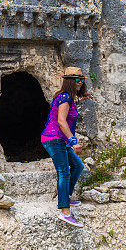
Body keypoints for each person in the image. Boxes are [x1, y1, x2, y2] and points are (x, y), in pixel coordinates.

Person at [41, 66, 90, 227]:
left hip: (60, 140)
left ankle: (65, 196)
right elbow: (61, 121)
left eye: (81, 80)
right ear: (69, 81)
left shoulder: (67, 98)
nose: (80, 83)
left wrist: (81, 99)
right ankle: (64, 211)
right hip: (53, 139)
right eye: (77, 80)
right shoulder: (64, 97)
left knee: (78, 165)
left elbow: (69, 105)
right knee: (64, 171)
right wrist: (73, 141)